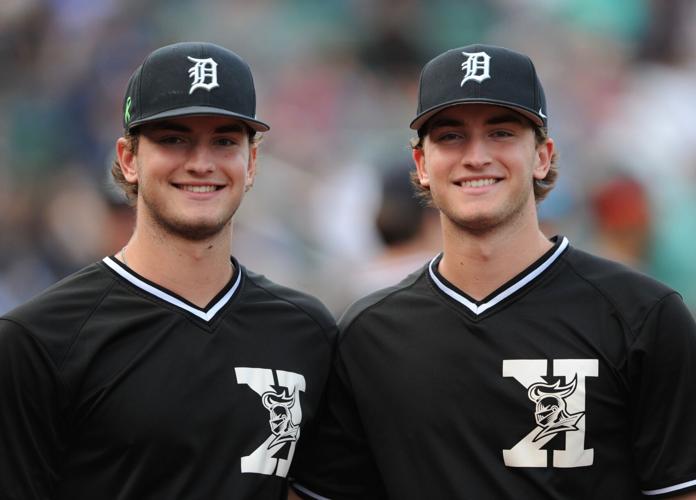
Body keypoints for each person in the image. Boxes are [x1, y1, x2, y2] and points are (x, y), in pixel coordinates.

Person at [289, 44, 696, 499]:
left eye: (501, 133)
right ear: (422, 165)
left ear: (542, 155)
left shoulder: (641, 315)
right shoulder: (369, 333)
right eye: (450, 136)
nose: (476, 156)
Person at [0, 42, 336, 499]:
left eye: (224, 140)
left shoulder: (306, 330)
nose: (201, 163)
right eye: (173, 139)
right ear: (128, 159)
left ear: (252, 162)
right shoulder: (40, 339)